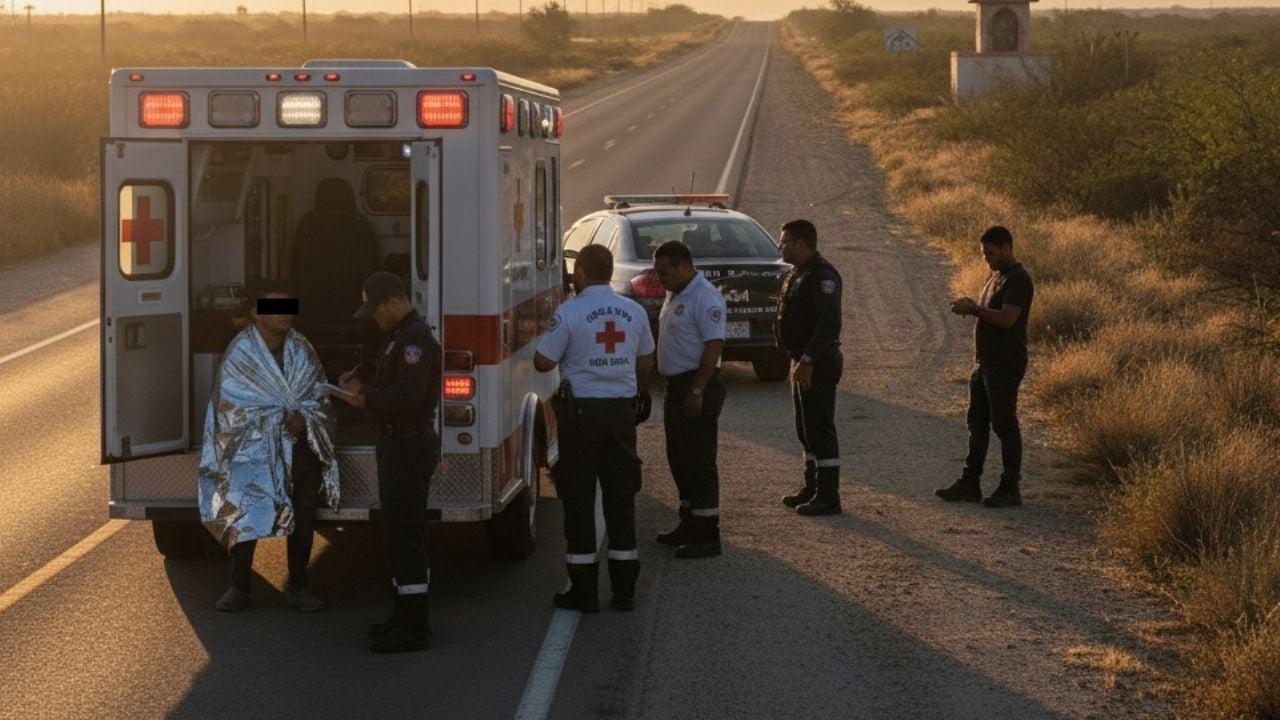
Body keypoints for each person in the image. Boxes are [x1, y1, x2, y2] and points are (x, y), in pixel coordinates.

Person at [198, 282, 340, 613]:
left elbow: (318, 395)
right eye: (276, 308)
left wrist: (304, 421)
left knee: (304, 511)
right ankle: (239, 586)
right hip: (251, 448)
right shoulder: (241, 352)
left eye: (288, 308)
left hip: (299, 443)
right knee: (247, 507)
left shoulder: (302, 348)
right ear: (255, 313)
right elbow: (230, 405)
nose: (284, 316)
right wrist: (275, 419)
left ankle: (299, 586)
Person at [534, 244, 655, 612]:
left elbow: (543, 361)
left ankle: (584, 592)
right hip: (621, 417)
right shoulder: (633, 311)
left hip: (582, 418)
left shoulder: (569, 313)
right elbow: (646, 360)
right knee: (621, 500)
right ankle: (624, 592)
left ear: (581, 273)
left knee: (579, 500)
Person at [337, 272, 442, 652]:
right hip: (396, 445)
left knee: (406, 536)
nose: (373, 318)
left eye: (375, 309)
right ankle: (402, 615)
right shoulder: (398, 337)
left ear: (393, 302)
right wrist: (359, 379)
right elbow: (389, 378)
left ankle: (415, 628)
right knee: (396, 536)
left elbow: (407, 395)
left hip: (408, 445)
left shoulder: (414, 339)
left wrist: (365, 398)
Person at [937, 225, 1034, 508]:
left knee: (1005, 424)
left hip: (1005, 363)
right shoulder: (996, 276)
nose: (986, 259)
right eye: (983, 255)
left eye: (990, 253)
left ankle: (1010, 486)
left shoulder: (1018, 280)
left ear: (1006, 247)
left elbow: (1007, 319)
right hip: (985, 363)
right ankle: (970, 482)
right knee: (977, 423)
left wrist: (974, 309)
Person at [651, 240, 727, 559]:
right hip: (677, 386)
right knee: (679, 457)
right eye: (657, 272)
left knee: (699, 461)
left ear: (685, 266)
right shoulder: (677, 291)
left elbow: (714, 346)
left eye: (664, 272)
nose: (660, 279)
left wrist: (697, 390)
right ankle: (688, 521)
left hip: (698, 386)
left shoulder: (704, 296)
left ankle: (707, 534)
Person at [774, 219, 844, 517]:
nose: (781, 247)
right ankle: (812, 487)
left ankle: (828, 497)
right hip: (801, 360)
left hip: (817, 363)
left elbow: (828, 323)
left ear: (801, 244)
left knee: (819, 427)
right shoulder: (799, 273)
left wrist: (808, 361)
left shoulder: (822, 275)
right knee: (805, 428)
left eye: (785, 241)